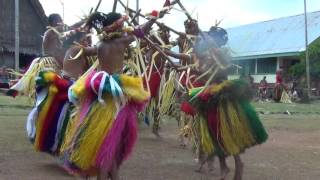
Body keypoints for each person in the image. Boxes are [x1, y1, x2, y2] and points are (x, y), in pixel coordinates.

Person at [61, 10, 167, 179]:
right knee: (111, 140)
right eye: (122, 23)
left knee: (102, 135)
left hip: (100, 91)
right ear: (117, 26)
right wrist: (153, 18)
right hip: (115, 94)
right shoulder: (122, 41)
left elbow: (83, 52)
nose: (125, 26)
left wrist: (74, 48)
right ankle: (105, 174)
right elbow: (141, 32)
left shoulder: (101, 45)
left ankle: (111, 173)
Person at [186, 28, 268, 180]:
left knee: (228, 131)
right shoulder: (207, 55)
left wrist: (199, 30)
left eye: (212, 38)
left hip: (223, 94)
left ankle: (238, 163)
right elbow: (204, 71)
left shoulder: (223, 52)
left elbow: (223, 65)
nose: (209, 40)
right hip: (209, 95)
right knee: (214, 133)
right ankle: (224, 167)